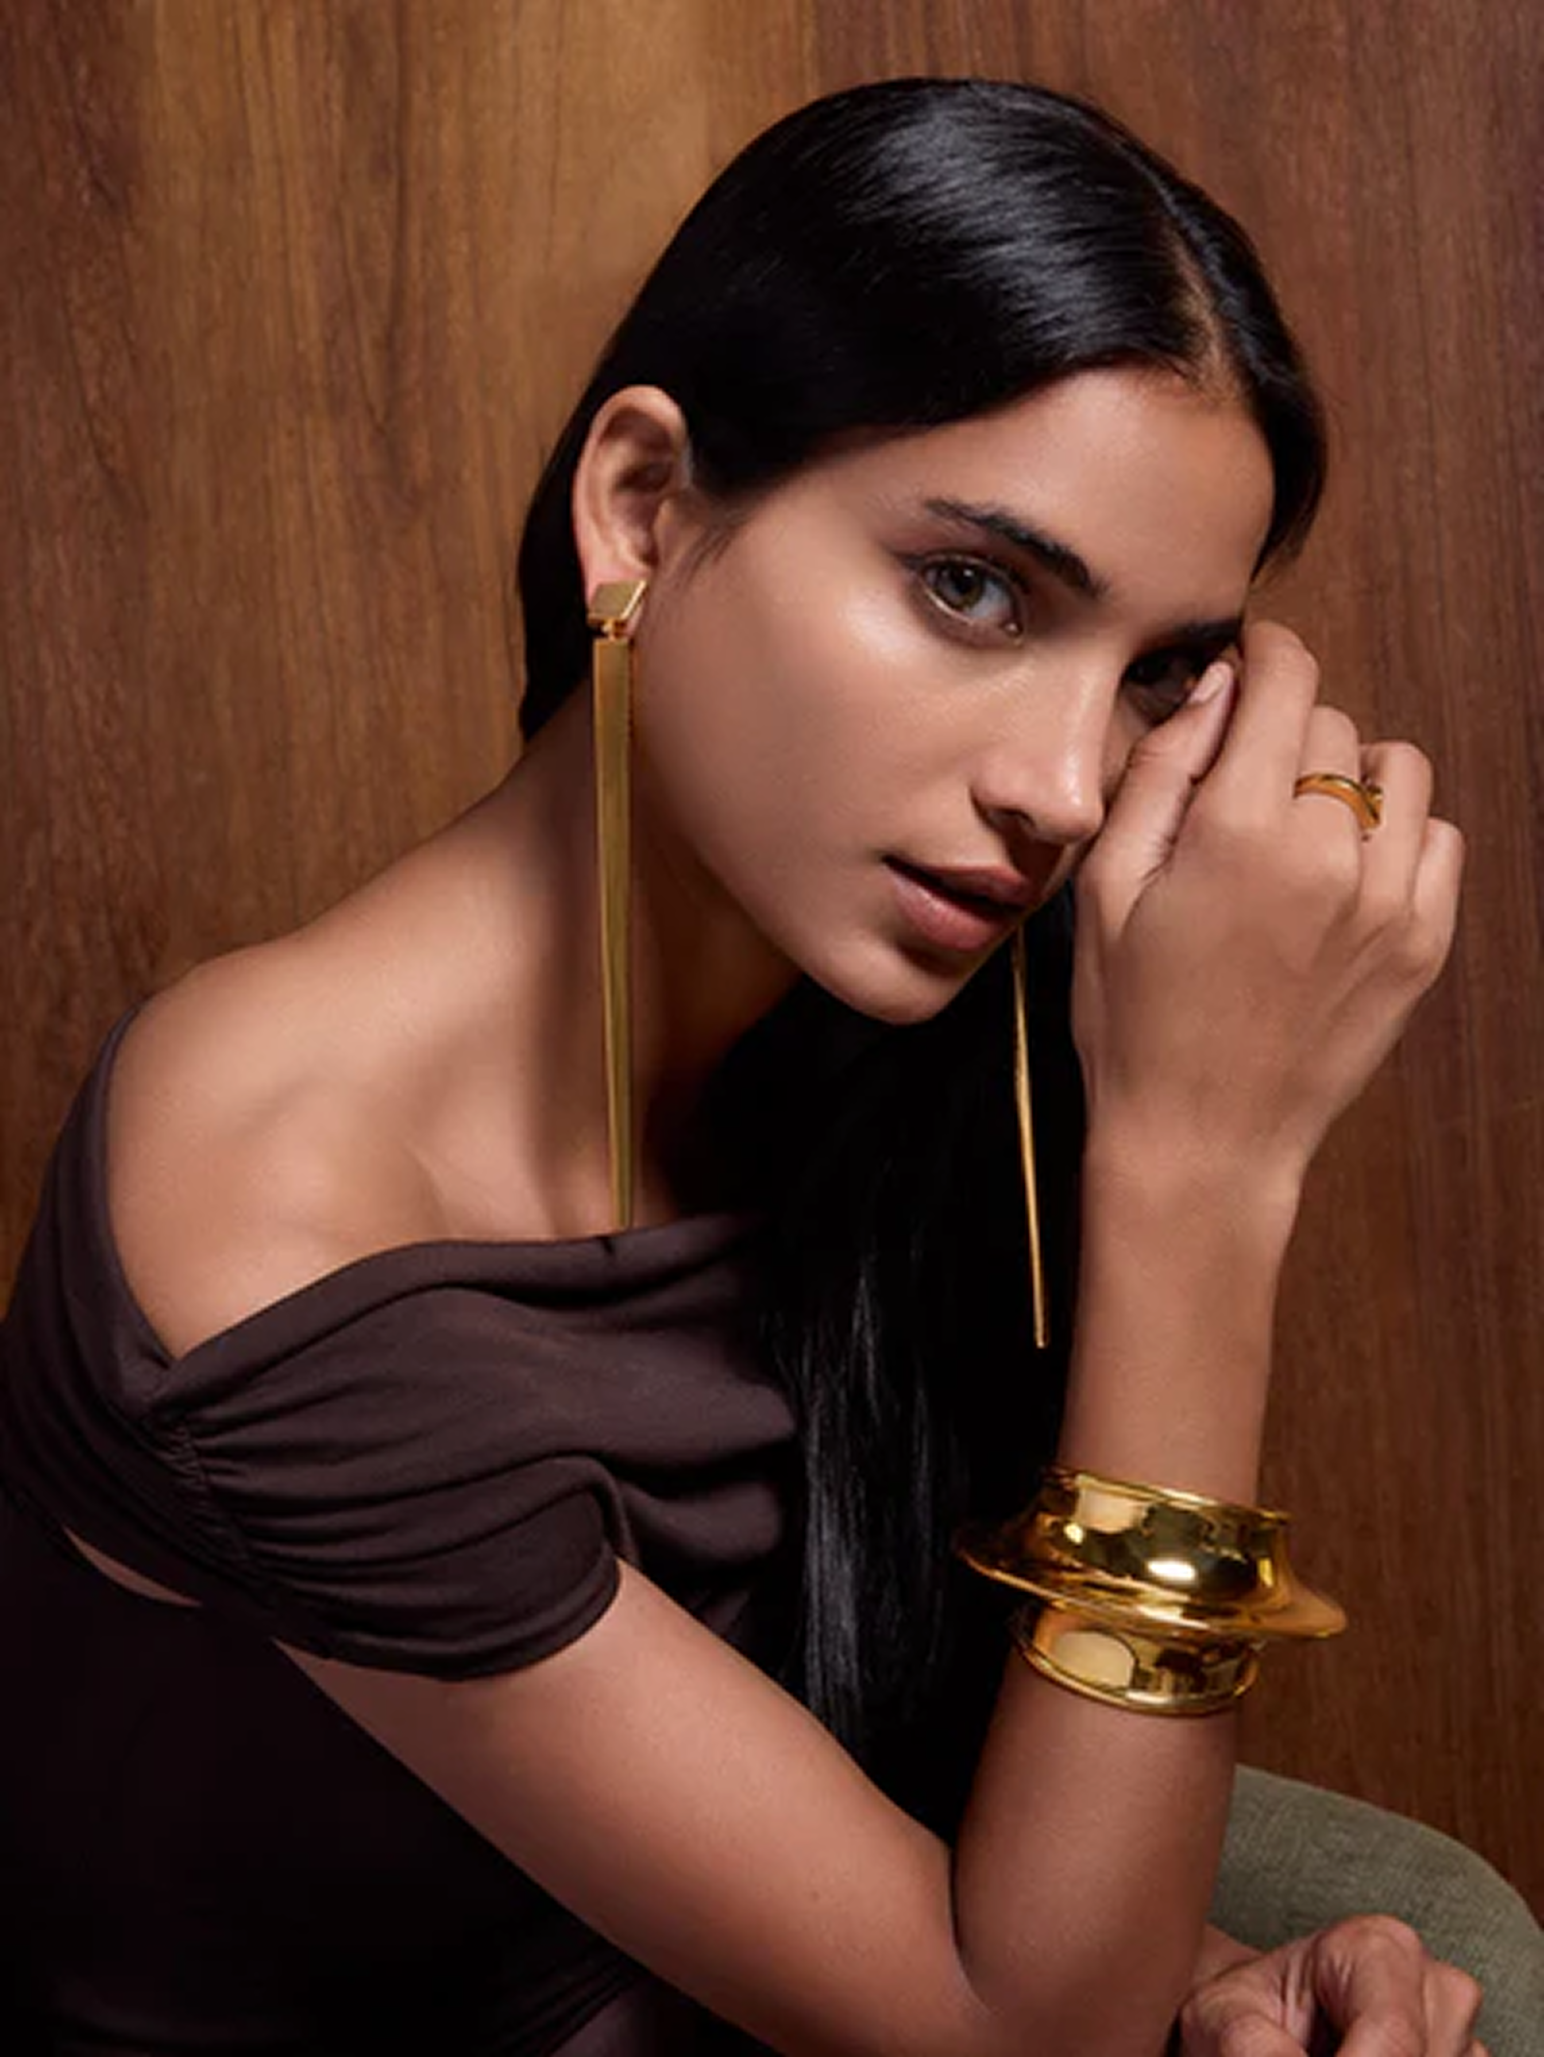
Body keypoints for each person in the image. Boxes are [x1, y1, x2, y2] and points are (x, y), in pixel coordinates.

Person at [0, 74, 1492, 2056]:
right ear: (641, 508)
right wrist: (1204, 1175)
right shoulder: (274, 1203)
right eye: (971, 586)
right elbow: (1008, 2039)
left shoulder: (862, 1029)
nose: (1060, 789)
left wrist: (1214, 1965)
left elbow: (854, 1767)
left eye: (1148, 677)